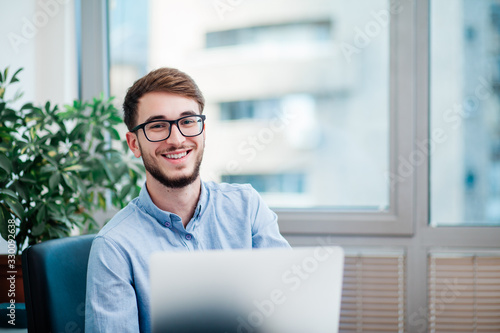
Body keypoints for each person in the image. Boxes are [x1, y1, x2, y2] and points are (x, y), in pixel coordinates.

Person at [85, 67, 290, 332]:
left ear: (202, 130)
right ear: (134, 144)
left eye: (188, 121)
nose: (177, 139)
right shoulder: (114, 247)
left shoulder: (247, 207)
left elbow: (287, 312)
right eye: (157, 126)